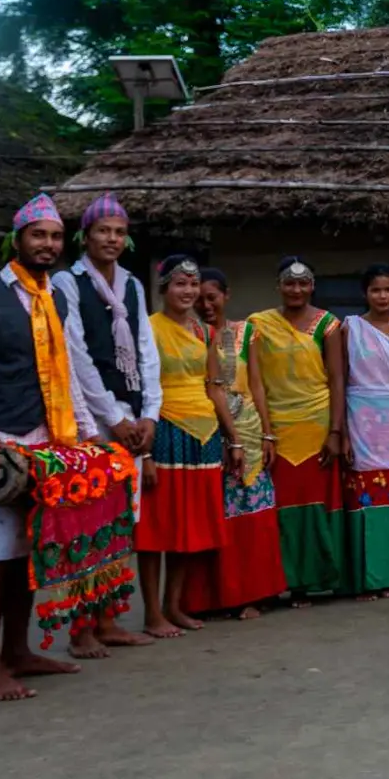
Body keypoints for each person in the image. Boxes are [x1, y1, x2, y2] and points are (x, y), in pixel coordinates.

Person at [0, 194, 100, 700]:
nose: (48, 245)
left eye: (56, 237)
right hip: (2, 440)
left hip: (48, 440)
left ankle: (18, 650)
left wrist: (84, 432)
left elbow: (67, 371)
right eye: (38, 235)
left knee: (30, 549)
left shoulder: (54, 297)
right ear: (17, 240)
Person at [53, 193, 159, 657]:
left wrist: (149, 415)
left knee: (121, 522)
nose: (112, 239)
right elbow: (77, 356)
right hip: (93, 420)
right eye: (103, 231)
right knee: (89, 523)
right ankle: (81, 628)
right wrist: (113, 419)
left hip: (133, 416)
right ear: (86, 235)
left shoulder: (133, 286)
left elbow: (146, 352)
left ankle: (110, 617)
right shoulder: (68, 283)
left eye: (119, 232)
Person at [135, 256, 237, 638]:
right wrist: (143, 452)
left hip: (205, 435)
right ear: (163, 288)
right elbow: (140, 389)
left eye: (193, 285)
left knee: (188, 528)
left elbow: (214, 387)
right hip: (164, 430)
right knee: (157, 527)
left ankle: (172, 606)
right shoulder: (146, 329)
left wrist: (234, 438)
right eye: (180, 284)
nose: (189, 292)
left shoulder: (204, 333)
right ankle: (151, 613)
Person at [185, 268, 287, 620]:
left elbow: (257, 384)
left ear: (226, 296)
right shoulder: (190, 335)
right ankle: (213, 596)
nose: (205, 304)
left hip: (250, 430)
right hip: (206, 430)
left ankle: (253, 593)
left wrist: (267, 433)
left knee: (253, 514)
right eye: (199, 298)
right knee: (216, 514)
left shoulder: (245, 334)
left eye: (211, 297)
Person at [249, 258, 347, 602]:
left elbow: (337, 379)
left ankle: (317, 579)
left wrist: (336, 431)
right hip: (275, 424)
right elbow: (254, 381)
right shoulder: (258, 325)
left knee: (315, 504)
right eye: (290, 284)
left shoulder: (328, 325)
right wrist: (262, 431)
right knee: (280, 507)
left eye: (304, 283)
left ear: (313, 286)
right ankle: (282, 581)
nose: (297, 290)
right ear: (278, 286)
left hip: (316, 424)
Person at [341, 264, 389, 600]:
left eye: (388, 290)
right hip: (360, 418)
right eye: (375, 290)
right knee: (363, 500)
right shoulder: (350, 329)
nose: (382, 296)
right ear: (365, 294)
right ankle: (365, 580)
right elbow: (341, 380)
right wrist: (341, 430)